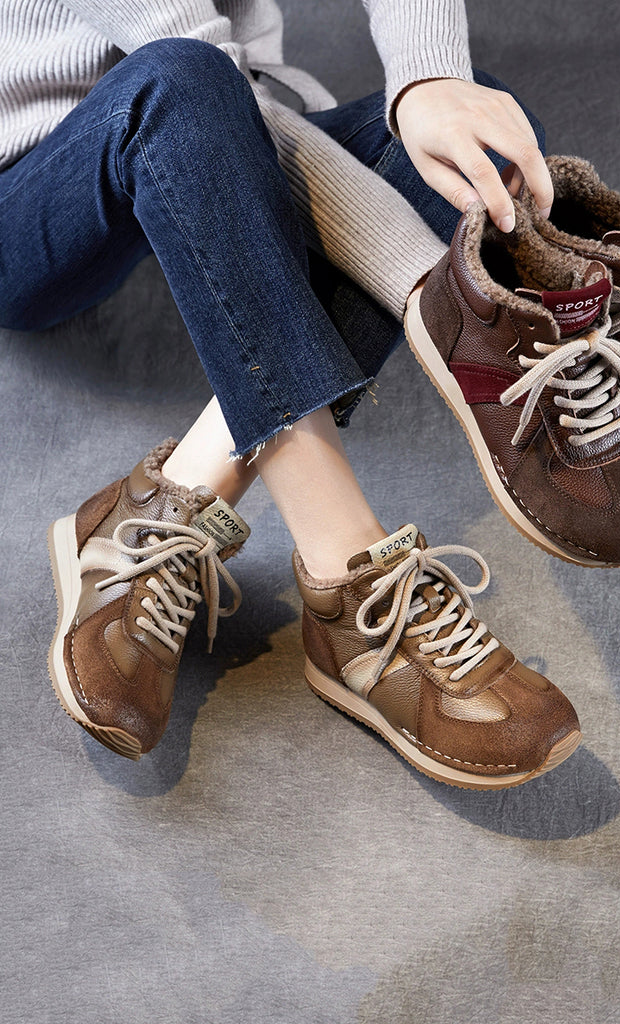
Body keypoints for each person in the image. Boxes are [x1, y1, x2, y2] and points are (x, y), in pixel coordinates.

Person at [1, 0, 584, 785]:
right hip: (30, 184)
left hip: (229, 112)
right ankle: (346, 575)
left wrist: (431, 79)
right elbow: (189, 69)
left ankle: (174, 499)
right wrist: (420, 288)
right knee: (181, 81)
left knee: (481, 146)